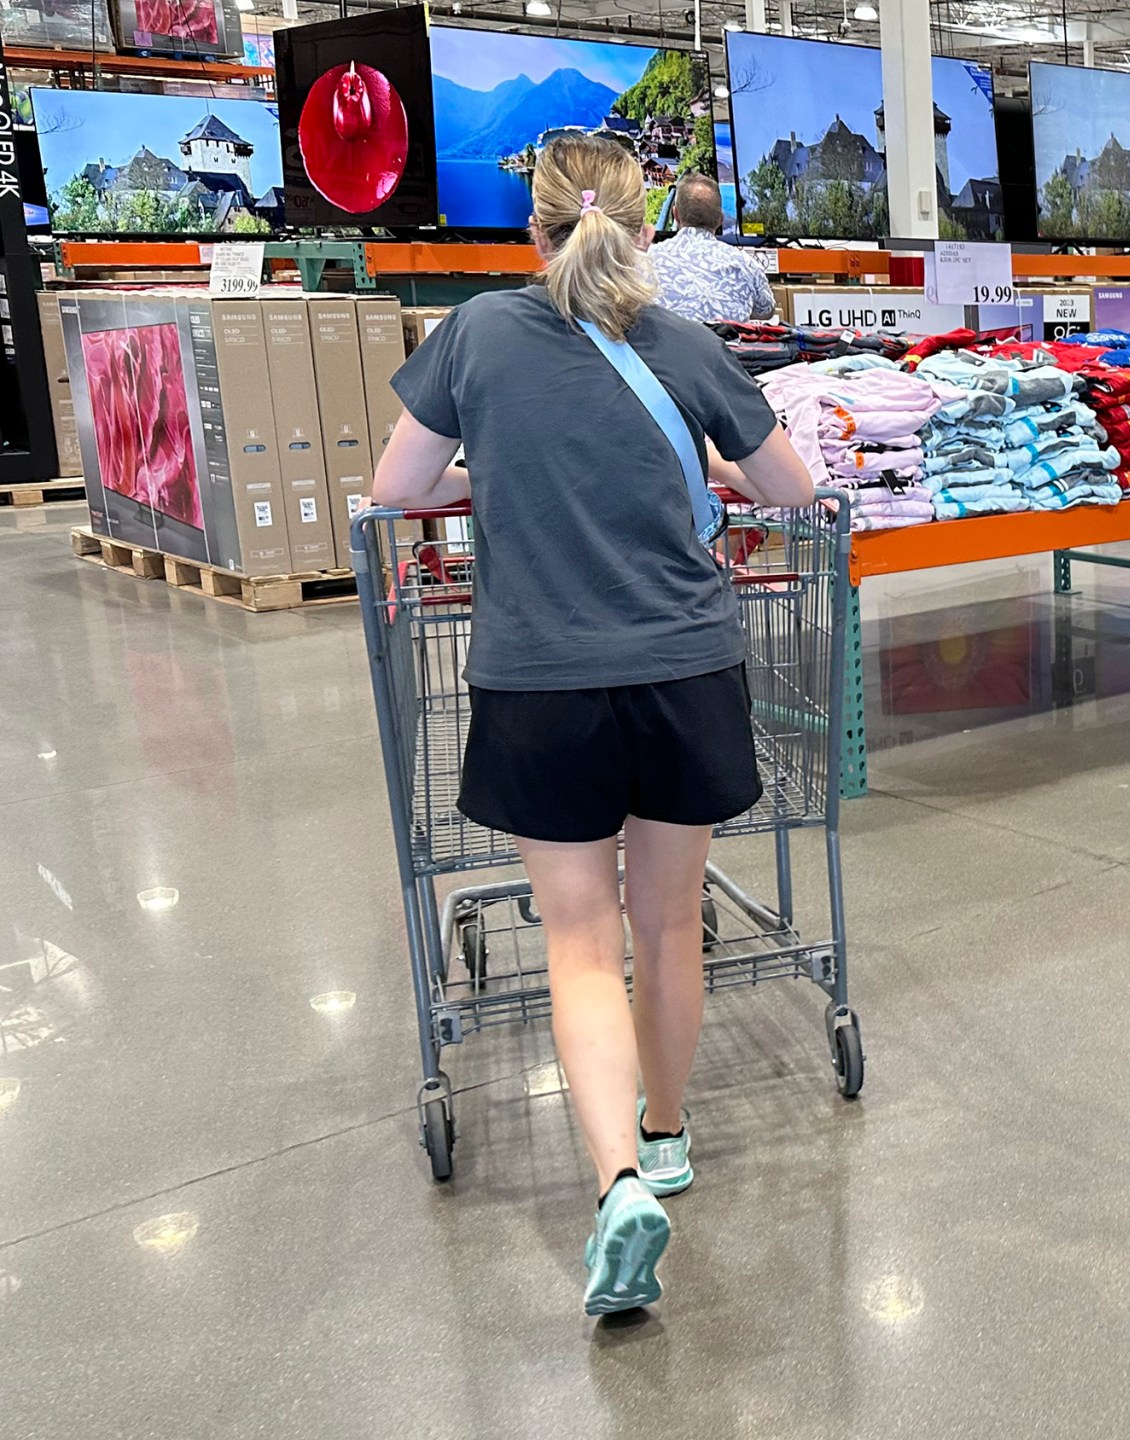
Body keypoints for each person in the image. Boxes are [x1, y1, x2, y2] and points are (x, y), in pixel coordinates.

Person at [369, 134, 815, 1317]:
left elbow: (395, 490)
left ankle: (617, 1181)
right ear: (644, 228)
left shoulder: (473, 335)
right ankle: (669, 1134)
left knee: (580, 939)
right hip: (684, 671)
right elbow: (795, 492)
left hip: (540, 680)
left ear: (531, 226)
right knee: (669, 923)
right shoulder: (686, 344)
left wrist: (497, 478)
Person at [650, 173, 775, 325]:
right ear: (720, 220)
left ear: (675, 214)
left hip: (666, 348)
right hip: (725, 347)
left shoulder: (648, 260)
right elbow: (767, 310)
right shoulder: (746, 265)